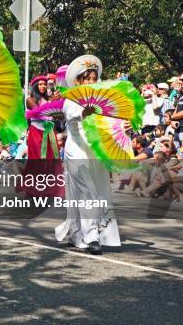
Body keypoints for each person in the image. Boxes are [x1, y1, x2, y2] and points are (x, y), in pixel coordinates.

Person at [55, 55, 121, 255]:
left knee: (81, 195)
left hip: (96, 152)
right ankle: (92, 237)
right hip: (76, 152)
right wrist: (85, 113)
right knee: (88, 193)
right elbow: (72, 116)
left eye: (94, 78)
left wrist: (123, 124)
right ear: (78, 81)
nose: (92, 82)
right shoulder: (71, 100)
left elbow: (112, 122)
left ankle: (75, 234)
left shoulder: (103, 101)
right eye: (87, 78)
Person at [17, 75, 65, 198]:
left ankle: (49, 190)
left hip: (50, 131)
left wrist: (60, 105)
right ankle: (33, 189)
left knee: (52, 160)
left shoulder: (49, 98)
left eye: (45, 84)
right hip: (36, 132)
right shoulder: (30, 99)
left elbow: (56, 115)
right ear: (35, 86)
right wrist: (52, 102)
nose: (43, 86)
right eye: (40, 84)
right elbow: (38, 112)